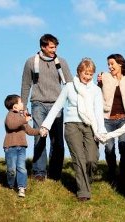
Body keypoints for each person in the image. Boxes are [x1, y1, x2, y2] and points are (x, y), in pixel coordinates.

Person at [40, 58, 106, 201]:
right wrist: (46, 125)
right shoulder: (69, 87)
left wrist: (101, 130)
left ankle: (86, 181)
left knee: (92, 159)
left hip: (90, 126)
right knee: (79, 158)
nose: (88, 77)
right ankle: (83, 192)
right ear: (79, 71)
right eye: (85, 73)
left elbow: (98, 111)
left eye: (90, 74)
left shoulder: (95, 90)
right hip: (72, 125)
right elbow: (57, 106)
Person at [21, 34, 73, 181]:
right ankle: (39, 172)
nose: (54, 49)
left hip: (57, 105)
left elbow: (69, 84)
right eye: (51, 47)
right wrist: (23, 106)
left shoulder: (61, 62)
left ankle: (55, 173)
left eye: (55, 46)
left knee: (57, 141)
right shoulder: (31, 62)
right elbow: (26, 85)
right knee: (39, 137)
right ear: (43, 47)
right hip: (38, 103)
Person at [97, 54, 125, 188]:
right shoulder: (104, 77)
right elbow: (97, 91)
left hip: (123, 119)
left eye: (112, 64)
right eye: (108, 64)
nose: (110, 67)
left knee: (123, 146)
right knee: (109, 148)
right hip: (107, 119)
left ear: (120, 64)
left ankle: (124, 176)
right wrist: (99, 79)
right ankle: (112, 173)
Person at [3, 94, 40, 197]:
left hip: (22, 147)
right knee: (11, 169)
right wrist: (25, 119)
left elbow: (29, 130)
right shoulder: (10, 115)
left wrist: (39, 132)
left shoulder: (22, 117)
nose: (23, 103)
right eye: (20, 102)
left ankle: (21, 187)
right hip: (10, 147)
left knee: (21, 168)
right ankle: (10, 184)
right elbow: (11, 125)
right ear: (15, 107)